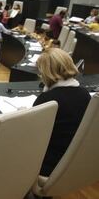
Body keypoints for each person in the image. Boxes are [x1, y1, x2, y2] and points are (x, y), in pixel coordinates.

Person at [33, 48, 90, 176]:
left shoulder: (47, 99)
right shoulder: (84, 94)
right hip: (72, 160)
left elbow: (32, 135)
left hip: (48, 163)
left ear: (47, 72)